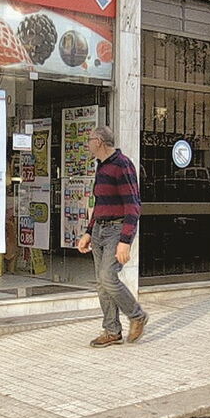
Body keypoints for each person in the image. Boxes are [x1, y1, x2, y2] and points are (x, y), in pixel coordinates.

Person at [77, 125, 148, 347]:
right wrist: (89, 232)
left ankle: (137, 315)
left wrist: (125, 241)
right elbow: (99, 204)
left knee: (108, 277)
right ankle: (112, 331)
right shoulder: (101, 166)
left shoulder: (122, 165)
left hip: (116, 230)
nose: (87, 144)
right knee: (101, 283)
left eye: (89, 139)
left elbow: (133, 205)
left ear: (98, 141)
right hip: (99, 229)